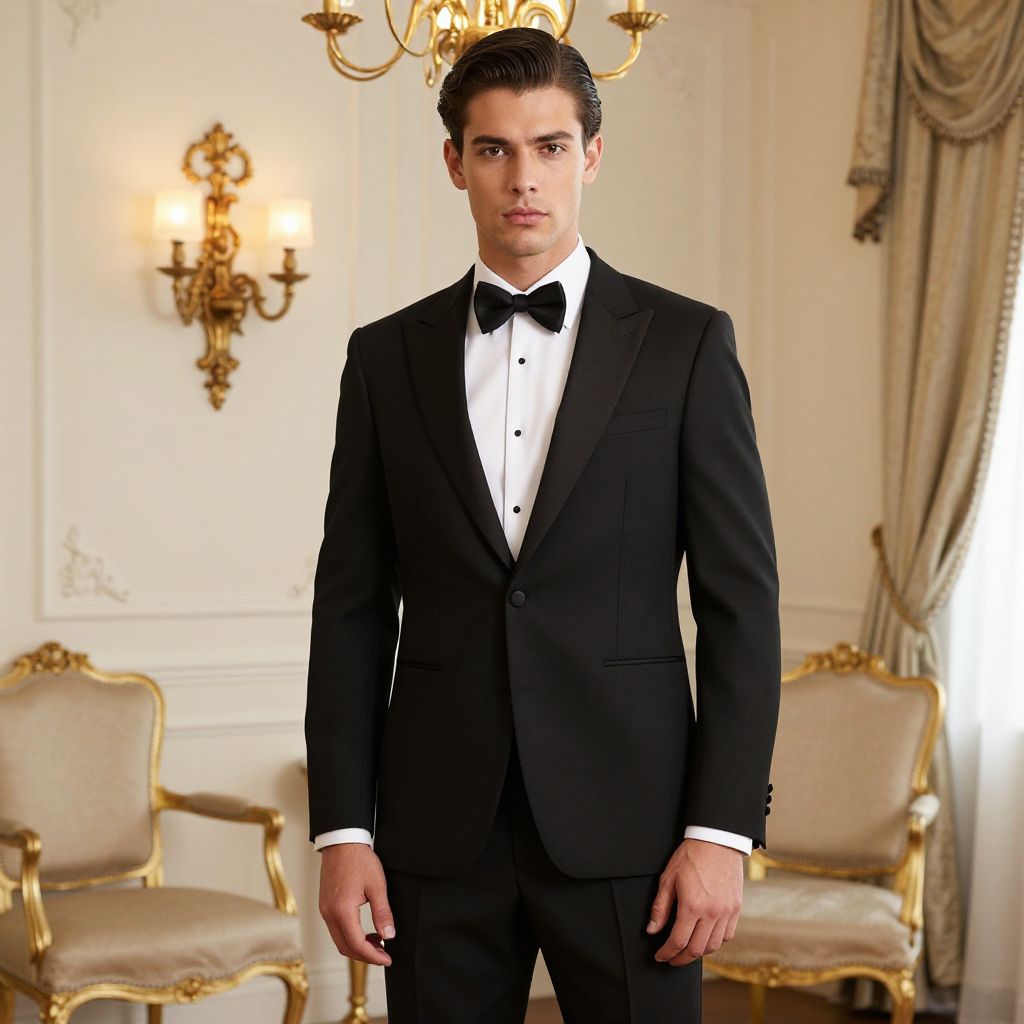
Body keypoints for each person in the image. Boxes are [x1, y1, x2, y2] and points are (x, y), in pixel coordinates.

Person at [305, 25, 780, 1023]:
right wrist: (343, 831)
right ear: (454, 163)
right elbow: (350, 609)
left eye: (551, 146)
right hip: (436, 834)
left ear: (591, 156)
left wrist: (720, 832)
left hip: (637, 833)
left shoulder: (688, 346)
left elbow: (741, 606)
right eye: (494, 149)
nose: (524, 178)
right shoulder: (383, 359)